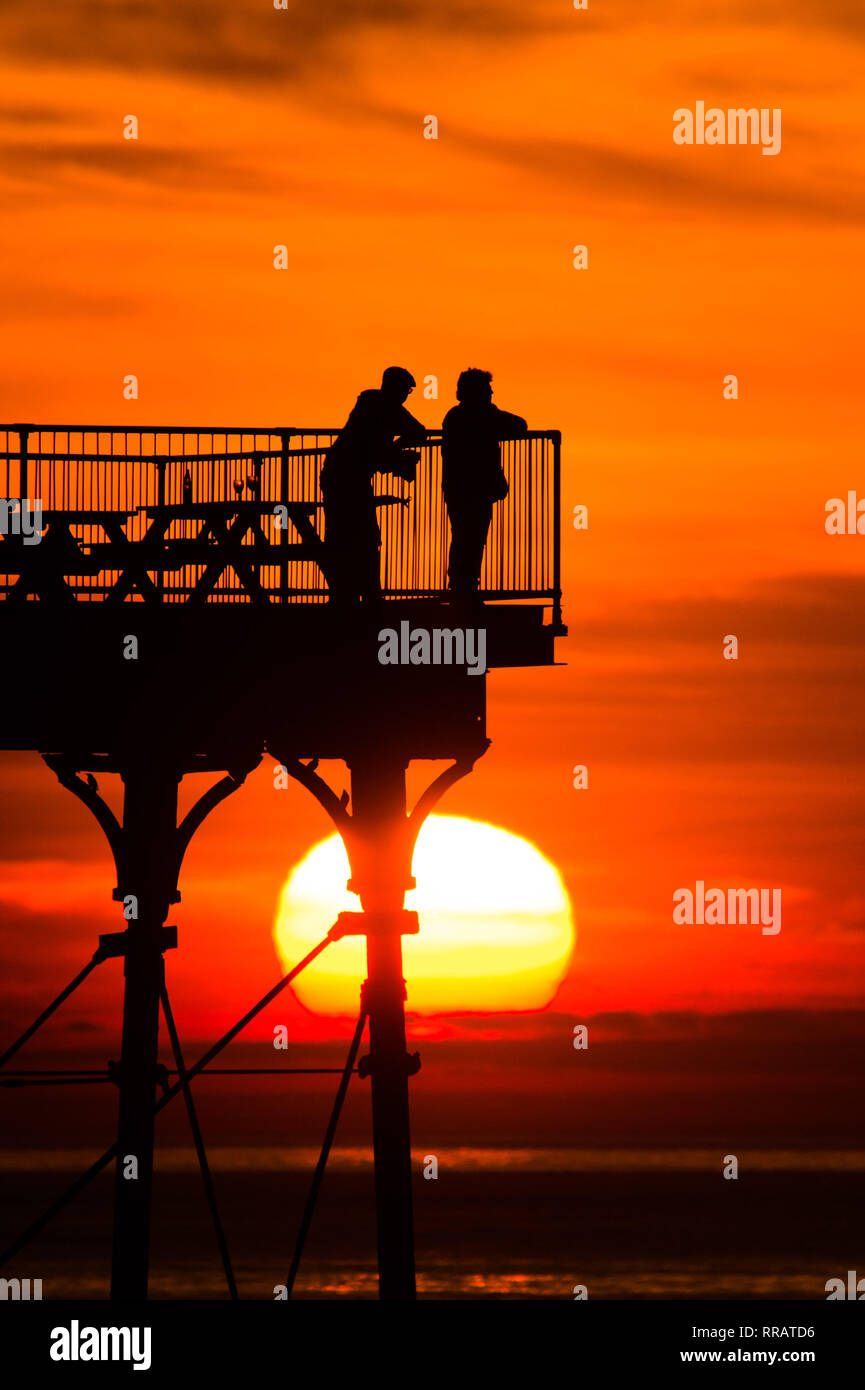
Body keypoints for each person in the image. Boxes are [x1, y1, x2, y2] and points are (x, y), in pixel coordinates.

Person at [320, 367, 426, 605]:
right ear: (396, 388)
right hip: (349, 478)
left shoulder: (370, 403)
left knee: (341, 535)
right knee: (363, 536)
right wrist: (399, 450)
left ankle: (345, 594)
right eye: (406, 390)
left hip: (338, 474)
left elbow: (377, 444)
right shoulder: (384, 406)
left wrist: (394, 450)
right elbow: (418, 432)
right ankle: (366, 595)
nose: (406, 395)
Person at [441, 368, 527, 603]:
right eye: (487, 390)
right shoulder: (477, 415)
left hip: (460, 488)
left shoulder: (456, 416)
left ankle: (463, 584)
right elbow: (519, 425)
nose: (491, 393)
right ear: (477, 392)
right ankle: (464, 586)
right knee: (470, 536)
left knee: (466, 535)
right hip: (472, 489)